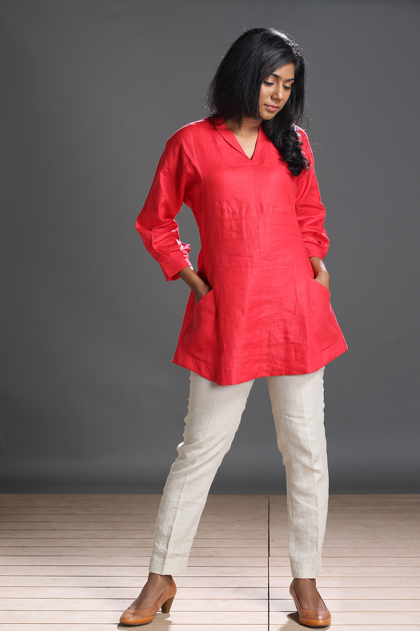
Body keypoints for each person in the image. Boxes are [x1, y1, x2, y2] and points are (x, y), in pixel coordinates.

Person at [119, 27, 348, 628]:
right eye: (270, 81)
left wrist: (318, 266)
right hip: (231, 315)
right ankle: (161, 576)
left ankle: (305, 579)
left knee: (308, 452)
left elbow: (309, 213)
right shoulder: (192, 143)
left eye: (288, 85)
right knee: (199, 450)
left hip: (295, 313)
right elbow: (156, 222)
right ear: (242, 74)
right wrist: (192, 280)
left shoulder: (293, 142)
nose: (278, 95)